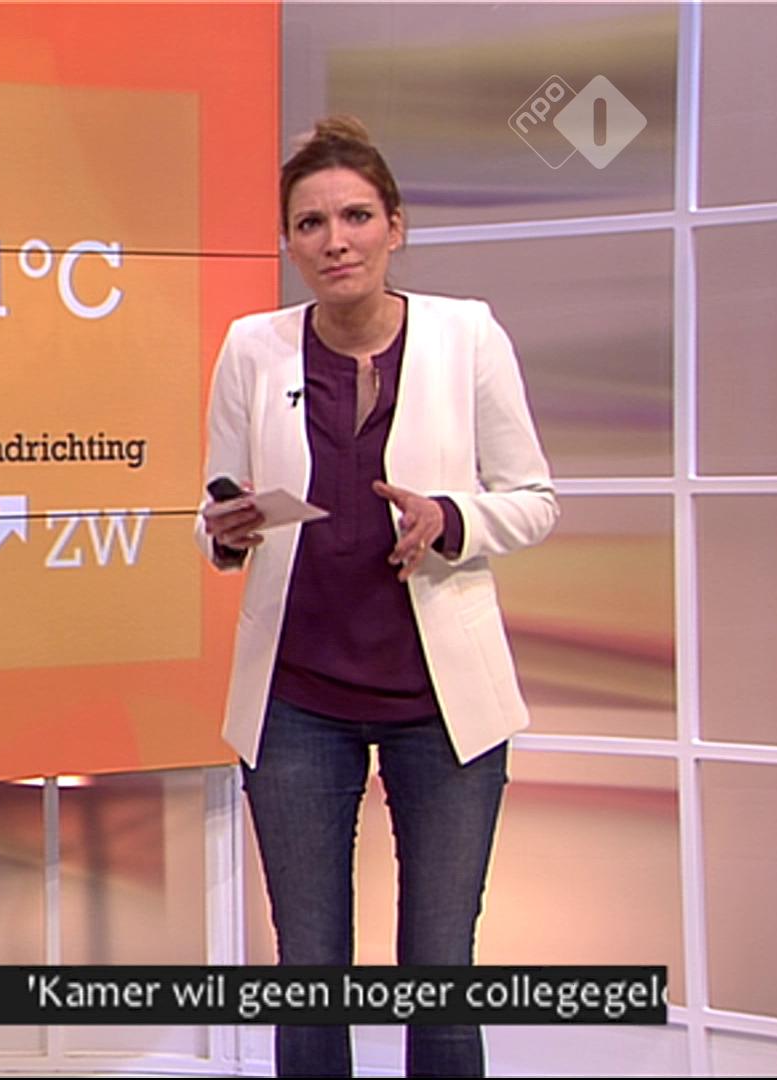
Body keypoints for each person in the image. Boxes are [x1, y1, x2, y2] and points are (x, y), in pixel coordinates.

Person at [195, 116, 558, 1077]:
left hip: (441, 706)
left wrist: (451, 517)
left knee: (439, 971)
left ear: (396, 226)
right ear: (289, 242)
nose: (335, 241)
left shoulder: (466, 335)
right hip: (297, 701)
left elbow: (534, 499)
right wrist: (225, 531)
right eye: (310, 223)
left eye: (356, 216)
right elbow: (216, 506)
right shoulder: (253, 348)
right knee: (311, 975)